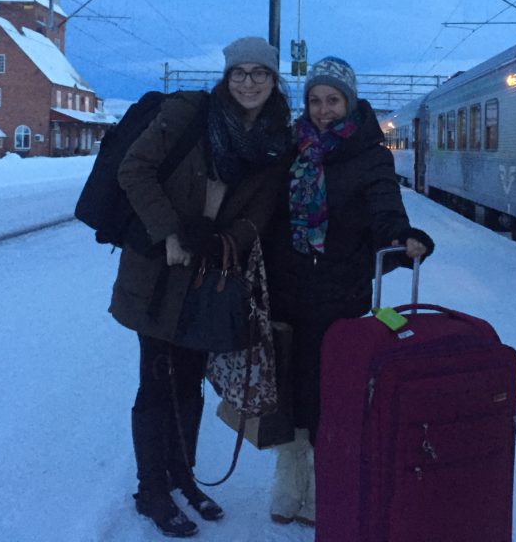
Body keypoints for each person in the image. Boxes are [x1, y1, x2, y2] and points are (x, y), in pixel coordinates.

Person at [109, 36, 291, 538]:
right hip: (156, 272)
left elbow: (260, 212)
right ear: (226, 77)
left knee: (188, 380)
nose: (248, 82)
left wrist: (222, 242)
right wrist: (170, 230)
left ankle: (181, 476)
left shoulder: (275, 138)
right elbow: (134, 169)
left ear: (274, 80)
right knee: (155, 381)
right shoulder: (191, 112)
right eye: (239, 73)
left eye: (260, 73)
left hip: (208, 274)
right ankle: (152, 491)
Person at [265, 56, 434, 527]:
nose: (323, 110)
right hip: (285, 288)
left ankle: (325, 483)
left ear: (350, 101)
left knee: (330, 393)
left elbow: (384, 206)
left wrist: (403, 238)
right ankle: (288, 475)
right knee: (288, 391)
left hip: (338, 293)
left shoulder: (368, 154)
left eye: (332, 100)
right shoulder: (290, 146)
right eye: (315, 100)